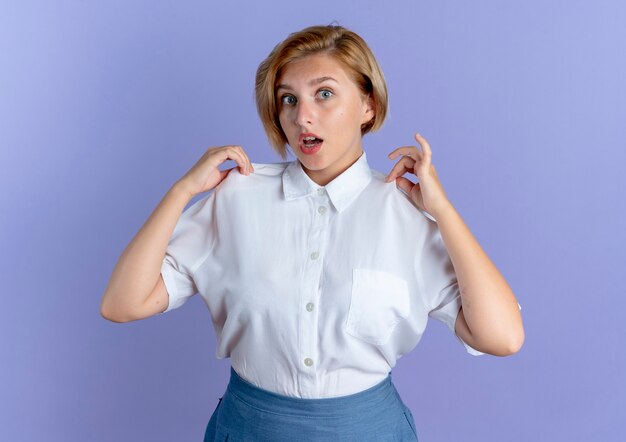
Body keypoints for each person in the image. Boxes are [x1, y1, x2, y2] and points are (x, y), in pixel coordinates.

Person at [100, 23, 524, 442]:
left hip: (369, 431)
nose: (302, 116)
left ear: (368, 106)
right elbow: (122, 304)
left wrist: (443, 212)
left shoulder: (407, 216)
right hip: (251, 429)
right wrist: (182, 190)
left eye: (324, 94)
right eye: (288, 99)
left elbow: (502, 337)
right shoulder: (236, 198)